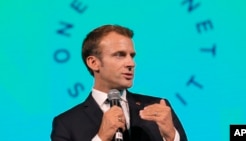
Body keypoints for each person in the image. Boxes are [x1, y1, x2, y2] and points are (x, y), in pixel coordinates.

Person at [51, 24, 188, 141]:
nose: (131, 63)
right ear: (94, 63)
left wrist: (171, 136)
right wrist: (101, 137)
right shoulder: (66, 123)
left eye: (132, 56)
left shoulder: (159, 108)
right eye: (119, 55)